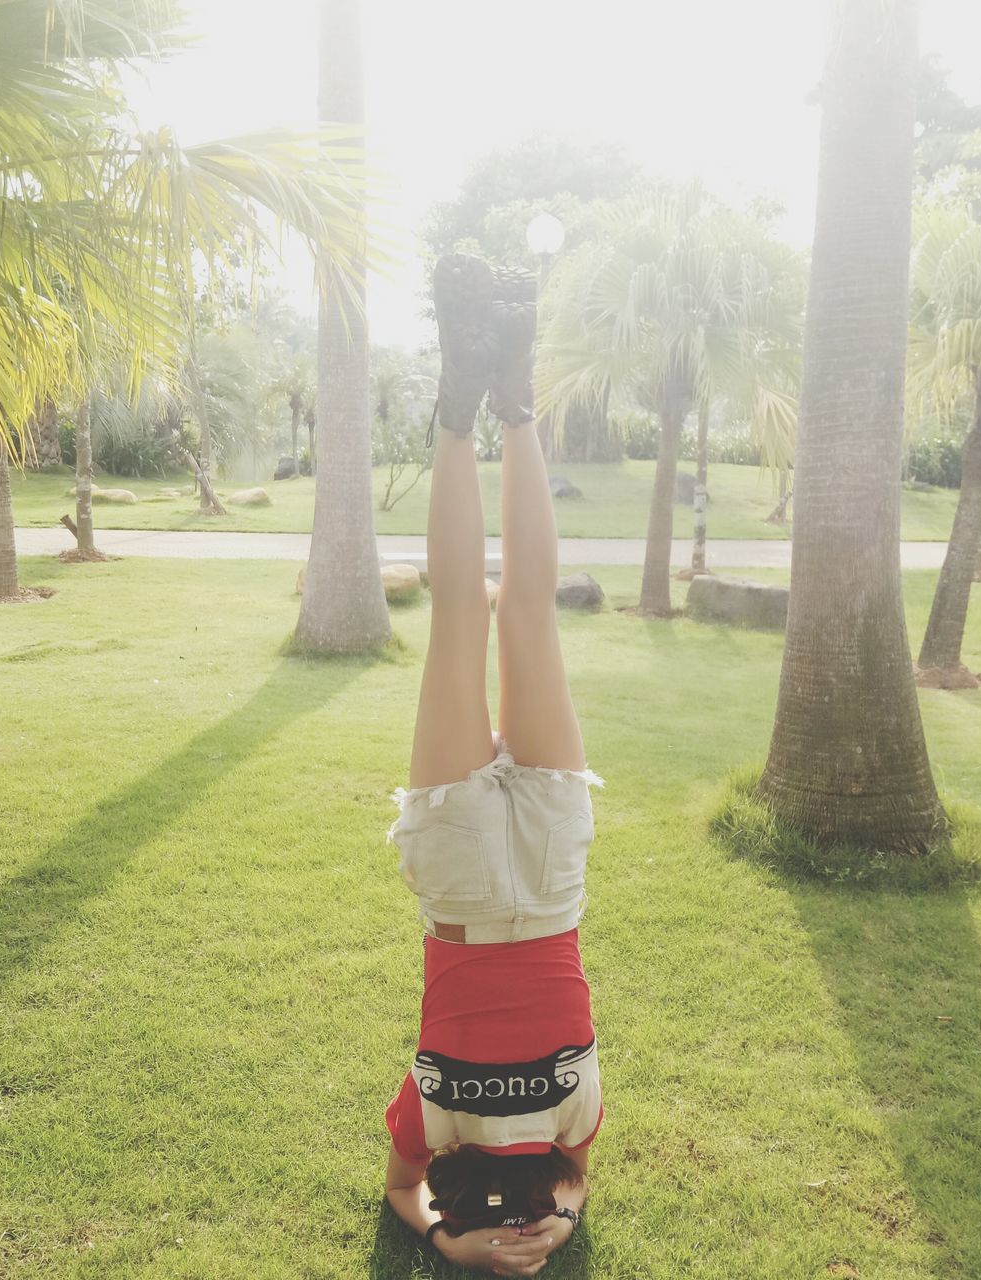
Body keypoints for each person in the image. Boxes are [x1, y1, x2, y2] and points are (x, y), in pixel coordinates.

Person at [383, 254, 604, 1277]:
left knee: (466, 618)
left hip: (477, 884)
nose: (529, 1221)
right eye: (542, 1222)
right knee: (517, 615)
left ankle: (461, 409)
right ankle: (509, 401)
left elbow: (397, 1187)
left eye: (501, 1219)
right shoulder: (574, 1126)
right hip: (541, 883)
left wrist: (446, 1243)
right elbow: (573, 1190)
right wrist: (549, 1224)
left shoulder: (433, 1125)